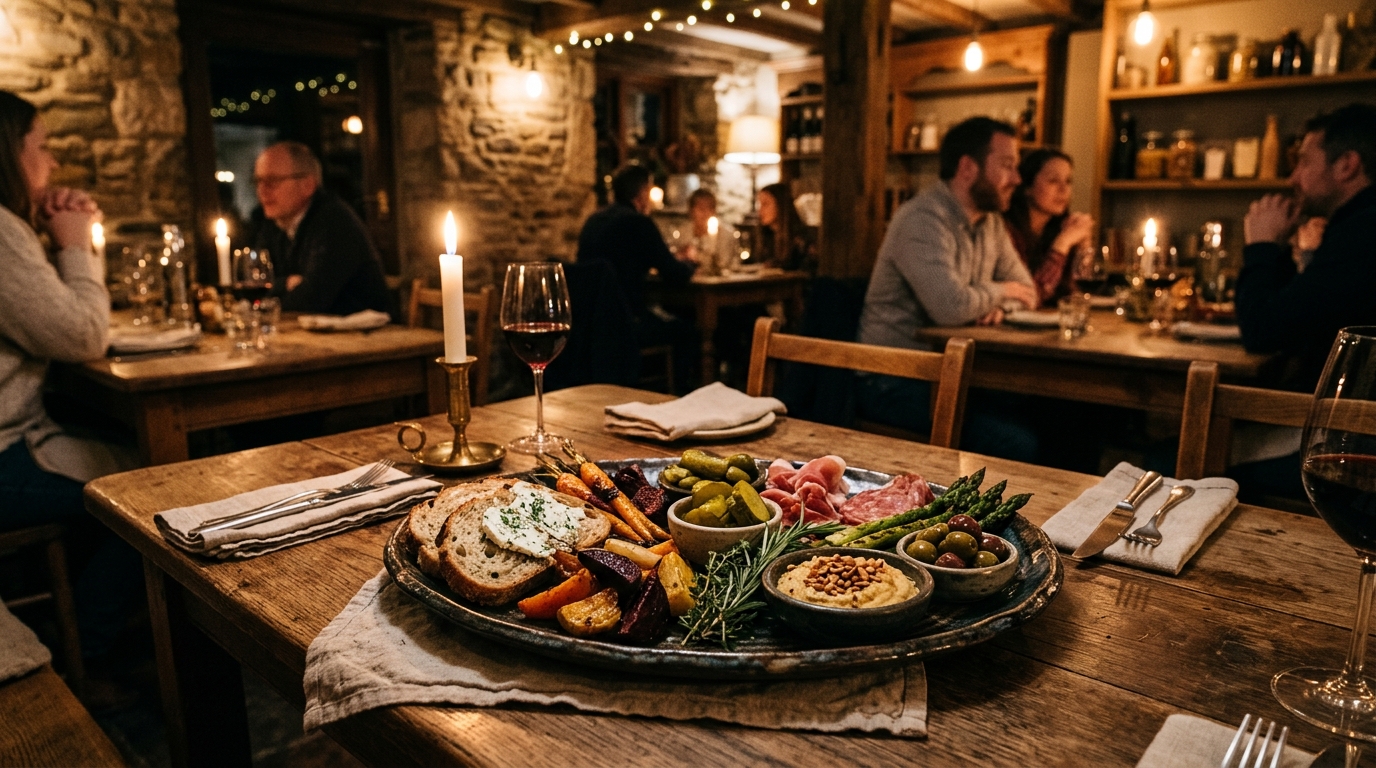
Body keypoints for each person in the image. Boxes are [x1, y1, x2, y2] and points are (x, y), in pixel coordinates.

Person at [0, 90, 141, 690]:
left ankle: (93, 625)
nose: (53, 161)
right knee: (148, 488)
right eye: (43, 146)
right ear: (10, 152)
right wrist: (76, 244)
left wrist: (48, 228)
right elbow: (83, 335)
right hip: (4, 455)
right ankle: (84, 655)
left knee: (119, 443)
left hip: (21, 434)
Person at [856, 117, 1039, 462]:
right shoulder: (922, 219)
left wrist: (1001, 305)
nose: (1017, 179)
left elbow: (1027, 291)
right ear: (968, 168)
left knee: (1051, 414)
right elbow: (949, 306)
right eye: (1007, 165)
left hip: (949, 374)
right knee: (1019, 441)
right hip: (893, 380)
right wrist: (1002, 291)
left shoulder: (990, 222)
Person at [1237, 103, 1376, 393]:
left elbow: (1263, 332)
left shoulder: (1362, 234)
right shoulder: (1354, 226)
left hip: (1344, 417)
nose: (1293, 178)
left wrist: (1261, 246)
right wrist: (1278, 250)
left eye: (1304, 162)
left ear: (1346, 165)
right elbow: (1294, 313)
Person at [576, 164, 698, 390]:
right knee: (687, 331)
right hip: (626, 324)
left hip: (589, 326)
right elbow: (674, 273)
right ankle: (677, 395)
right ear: (642, 194)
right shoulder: (638, 223)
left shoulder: (593, 221)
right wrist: (691, 263)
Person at [252, 141, 392, 317]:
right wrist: (285, 283)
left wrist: (273, 294)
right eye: (258, 181)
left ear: (307, 186)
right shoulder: (274, 225)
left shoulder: (334, 221)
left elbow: (310, 300)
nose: (262, 190)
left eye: (272, 181)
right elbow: (253, 286)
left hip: (364, 332)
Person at [1002, 148, 1095, 307]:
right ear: (1027, 187)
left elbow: (1077, 293)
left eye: (1068, 181)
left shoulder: (1060, 227)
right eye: (1053, 181)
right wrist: (1062, 244)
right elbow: (1030, 295)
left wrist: (1083, 247)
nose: (1063, 190)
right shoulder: (1006, 231)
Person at [757, 182, 816, 272]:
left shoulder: (800, 239)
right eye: (760, 204)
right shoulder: (766, 236)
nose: (760, 210)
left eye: (765, 204)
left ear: (780, 205)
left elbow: (805, 271)